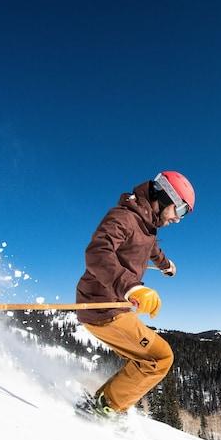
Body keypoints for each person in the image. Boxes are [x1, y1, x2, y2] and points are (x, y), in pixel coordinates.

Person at [74, 170, 195, 421]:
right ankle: (102, 409)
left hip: (115, 306)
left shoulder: (147, 225)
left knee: (147, 360)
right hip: (102, 306)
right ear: (164, 195)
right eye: (180, 210)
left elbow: (151, 248)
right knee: (160, 358)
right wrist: (131, 286)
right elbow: (98, 251)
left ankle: (106, 402)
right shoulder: (124, 217)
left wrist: (165, 265)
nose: (178, 219)